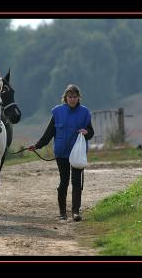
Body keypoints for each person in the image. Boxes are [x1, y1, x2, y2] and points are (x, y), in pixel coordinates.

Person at [28, 84, 94, 222]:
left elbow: (91, 132)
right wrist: (37, 145)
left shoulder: (85, 112)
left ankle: (75, 212)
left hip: (77, 153)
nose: (72, 99)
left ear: (78, 98)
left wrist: (86, 132)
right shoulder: (57, 112)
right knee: (63, 182)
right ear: (65, 98)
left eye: (75, 97)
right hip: (61, 153)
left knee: (76, 182)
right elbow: (49, 133)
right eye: (70, 97)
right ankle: (62, 212)